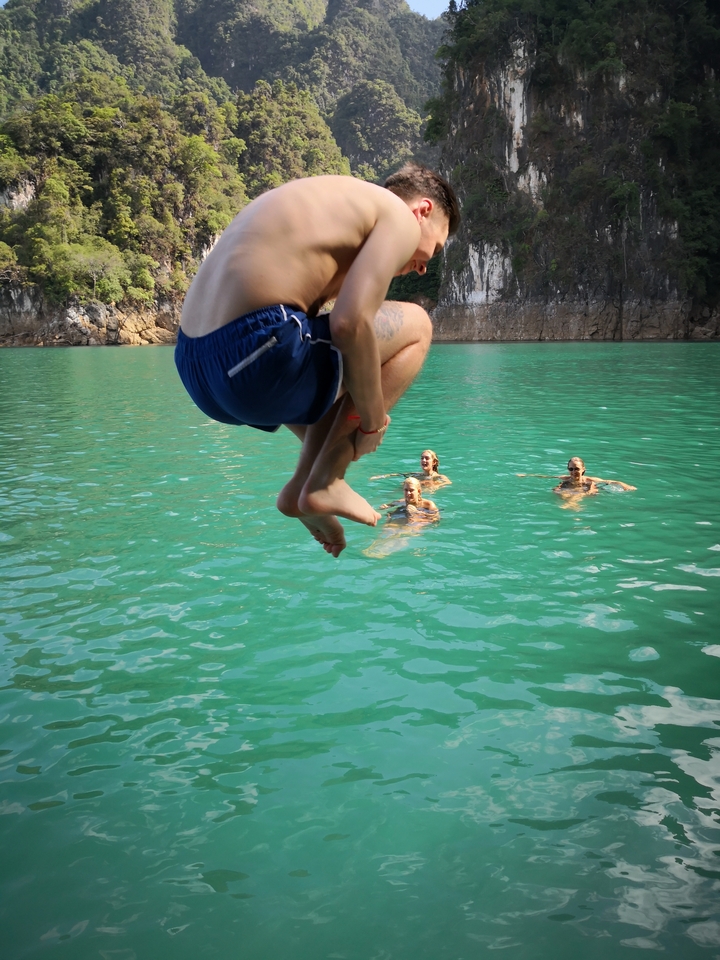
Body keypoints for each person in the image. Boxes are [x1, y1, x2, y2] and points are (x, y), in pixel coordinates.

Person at [175, 165, 460, 557]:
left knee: (342, 378)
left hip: (197, 370)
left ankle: (303, 488)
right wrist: (373, 421)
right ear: (423, 210)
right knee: (418, 326)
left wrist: (345, 422)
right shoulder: (397, 215)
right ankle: (327, 479)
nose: (425, 266)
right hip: (254, 351)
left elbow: (327, 348)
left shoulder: (334, 213)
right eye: (436, 248)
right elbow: (348, 323)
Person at [517, 457, 636, 494]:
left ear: (583, 469)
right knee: (557, 491)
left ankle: (571, 505)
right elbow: (545, 476)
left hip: (586, 489)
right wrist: (526, 475)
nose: (573, 471)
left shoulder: (590, 479)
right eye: (571, 469)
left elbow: (611, 481)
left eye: (577, 469)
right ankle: (570, 505)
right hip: (571, 488)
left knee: (584, 492)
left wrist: (626, 486)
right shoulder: (565, 478)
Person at [371, 448, 452, 488]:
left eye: (427, 458)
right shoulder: (417, 475)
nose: (423, 460)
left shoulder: (439, 477)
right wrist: (382, 476)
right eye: (422, 458)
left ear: (434, 462)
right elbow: (399, 474)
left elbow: (448, 483)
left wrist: (435, 486)